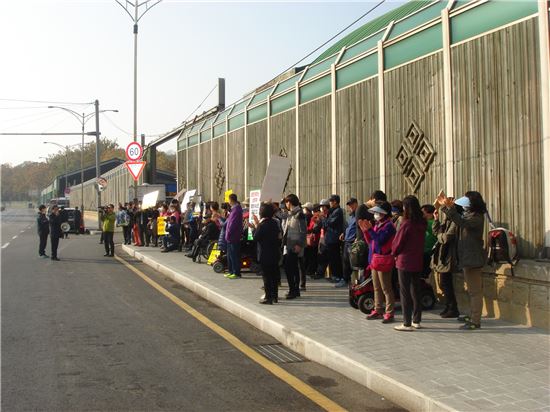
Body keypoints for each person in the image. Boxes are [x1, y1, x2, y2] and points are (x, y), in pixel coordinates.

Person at [438, 191, 487, 330]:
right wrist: (445, 207)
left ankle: (475, 321)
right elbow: (457, 220)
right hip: (467, 259)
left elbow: (462, 222)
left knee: (475, 292)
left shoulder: (476, 218)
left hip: (473, 260)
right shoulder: (468, 215)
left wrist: (450, 208)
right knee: (471, 290)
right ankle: (473, 315)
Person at [392, 195, 426, 331]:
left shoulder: (406, 223)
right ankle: (416, 320)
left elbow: (398, 242)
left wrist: (394, 253)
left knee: (405, 292)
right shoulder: (422, 222)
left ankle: (406, 322)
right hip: (417, 259)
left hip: (404, 260)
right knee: (416, 290)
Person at [360, 201, 396, 323]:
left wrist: (370, 230)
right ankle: (378, 309)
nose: (375, 214)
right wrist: (366, 231)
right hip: (375, 259)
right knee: (376, 288)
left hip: (384, 259)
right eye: (375, 212)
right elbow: (371, 242)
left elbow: (380, 240)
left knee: (386, 288)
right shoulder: (377, 224)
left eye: (378, 212)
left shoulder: (389, 226)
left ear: (384, 214)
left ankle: (389, 312)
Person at [431, 204, 459, 318]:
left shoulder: (454, 222)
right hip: (441, 255)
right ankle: (448, 306)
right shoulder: (446, 221)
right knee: (443, 283)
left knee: (446, 283)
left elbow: (446, 238)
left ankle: (453, 308)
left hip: (448, 256)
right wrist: (436, 219)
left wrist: (440, 235)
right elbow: (436, 232)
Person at [252, 203, 282, 304]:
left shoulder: (262, 225)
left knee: (266, 276)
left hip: (265, 253)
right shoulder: (275, 223)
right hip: (274, 252)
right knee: (274, 275)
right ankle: (275, 296)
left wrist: (254, 227)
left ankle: (268, 297)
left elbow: (256, 238)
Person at [282, 194, 307, 299]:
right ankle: (295, 290)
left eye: (286, 202)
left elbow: (303, 231)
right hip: (289, 245)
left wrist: (299, 244)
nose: (286, 205)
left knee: (289, 268)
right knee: (293, 268)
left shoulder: (299, 214)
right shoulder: (291, 214)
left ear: (289, 202)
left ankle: (293, 290)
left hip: (295, 245)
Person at [322, 194, 344, 283]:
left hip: (334, 238)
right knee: (331, 258)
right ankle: (333, 275)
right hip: (330, 238)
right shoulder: (332, 211)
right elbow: (325, 225)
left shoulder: (338, 211)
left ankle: (337, 276)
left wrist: (324, 219)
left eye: (331, 201)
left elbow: (330, 223)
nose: (330, 203)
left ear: (335, 202)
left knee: (335, 258)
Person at [338, 198, 358, 288]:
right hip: (347, 241)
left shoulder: (358, 215)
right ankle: (345, 279)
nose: (350, 206)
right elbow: (349, 227)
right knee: (345, 261)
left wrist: (357, 238)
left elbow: (359, 229)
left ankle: (354, 280)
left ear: (356, 204)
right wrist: (344, 233)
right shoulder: (350, 216)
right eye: (349, 205)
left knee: (353, 262)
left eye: (352, 204)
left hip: (353, 242)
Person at [225, 194, 243, 279]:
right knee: (230, 255)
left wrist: (228, 233)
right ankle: (231, 271)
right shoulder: (233, 210)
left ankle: (236, 272)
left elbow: (232, 224)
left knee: (234, 255)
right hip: (230, 236)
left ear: (231, 200)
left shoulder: (236, 210)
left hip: (233, 236)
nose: (228, 202)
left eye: (228, 200)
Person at [421, 204, 437, 278]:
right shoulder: (426, 222)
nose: (421, 215)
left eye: (423, 213)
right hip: (424, 251)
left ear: (430, 214)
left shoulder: (431, 222)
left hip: (428, 252)